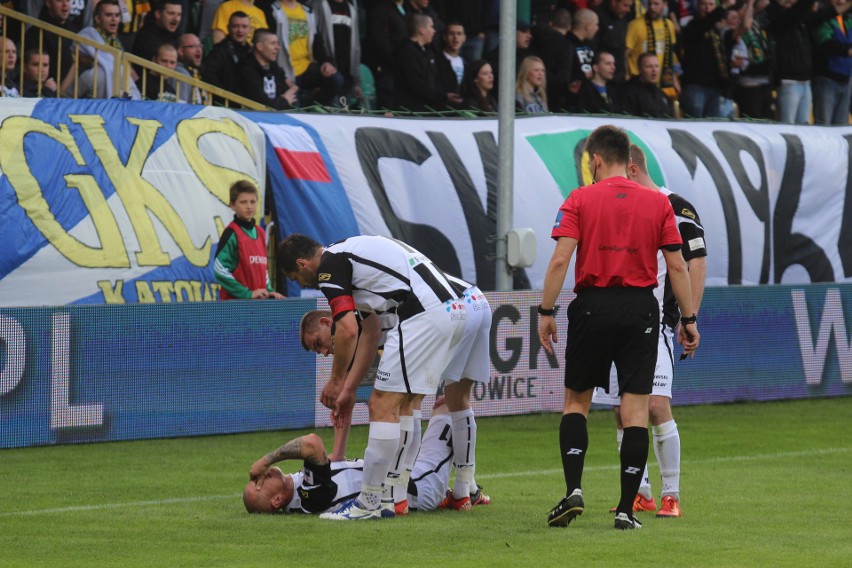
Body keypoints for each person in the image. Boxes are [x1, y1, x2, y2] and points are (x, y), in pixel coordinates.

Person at [538, 124, 699, 531]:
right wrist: (690, 318)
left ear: (594, 160)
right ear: (626, 158)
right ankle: (628, 508)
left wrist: (546, 310)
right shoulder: (657, 204)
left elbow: (560, 260)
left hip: (592, 307)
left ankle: (574, 489)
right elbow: (678, 265)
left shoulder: (579, 198)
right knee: (635, 411)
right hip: (641, 311)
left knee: (578, 403)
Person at [276, 234, 476, 520]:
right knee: (406, 404)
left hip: (421, 313)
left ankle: (370, 502)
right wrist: (348, 387)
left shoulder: (329, 267)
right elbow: (370, 331)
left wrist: (335, 381)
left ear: (302, 263)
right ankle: (394, 497)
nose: (300, 283)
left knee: (381, 405)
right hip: (450, 307)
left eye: (295, 276)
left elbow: (347, 330)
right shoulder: (348, 255)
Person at [592, 144, 707, 519]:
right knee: (623, 411)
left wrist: (690, 317)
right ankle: (640, 493)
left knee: (656, 405)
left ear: (630, 167)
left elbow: (696, 261)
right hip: (618, 322)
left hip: (655, 321)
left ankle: (672, 494)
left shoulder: (676, 206)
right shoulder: (624, 206)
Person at [299, 302, 493, 513]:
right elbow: (346, 398)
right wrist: (338, 453)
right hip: (470, 306)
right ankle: (465, 491)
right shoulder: (355, 328)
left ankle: (399, 497)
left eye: (319, 343)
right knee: (450, 399)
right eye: (318, 351)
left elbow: (347, 389)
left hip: (441, 315)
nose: (324, 352)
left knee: (406, 402)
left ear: (326, 322)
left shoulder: (356, 322)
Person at [243, 398, 490, 514]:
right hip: (418, 485)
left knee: (433, 403)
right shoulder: (308, 498)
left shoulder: (303, 486)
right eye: (259, 483)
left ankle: (463, 490)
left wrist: (343, 417)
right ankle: (465, 492)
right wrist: (265, 460)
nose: (260, 476)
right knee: (451, 403)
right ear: (276, 500)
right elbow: (311, 443)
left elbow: (334, 460)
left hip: (402, 473)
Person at [214, 180, 285, 300]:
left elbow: (263, 269)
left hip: (258, 306)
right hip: (235, 307)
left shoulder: (261, 232)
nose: (249, 206)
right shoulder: (231, 233)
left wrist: (269, 291)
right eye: (243, 202)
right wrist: (247, 293)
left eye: (253, 202)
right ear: (232, 205)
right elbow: (219, 269)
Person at [267, 0, 345, 106]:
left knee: (336, 79)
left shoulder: (308, 11)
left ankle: (312, 108)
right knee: (295, 110)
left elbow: (317, 42)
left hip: (306, 67)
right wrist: (278, 74)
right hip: (284, 70)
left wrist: (325, 61)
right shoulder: (273, 10)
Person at [393, 12, 462, 111]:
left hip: (429, 107)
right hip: (412, 111)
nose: (434, 31)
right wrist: (443, 96)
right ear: (422, 30)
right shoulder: (406, 52)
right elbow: (416, 85)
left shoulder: (429, 51)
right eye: (431, 27)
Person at [75, 0, 143, 99]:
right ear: (98, 19)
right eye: (108, 15)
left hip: (107, 87)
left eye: (117, 15)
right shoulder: (87, 35)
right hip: (82, 86)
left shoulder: (116, 42)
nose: (114, 19)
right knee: (100, 74)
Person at [679, 0, 736, 118]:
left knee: (713, 127)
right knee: (695, 126)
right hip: (695, 86)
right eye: (704, 4)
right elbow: (708, 21)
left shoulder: (716, 30)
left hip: (714, 87)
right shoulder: (692, 25)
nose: (707, 8)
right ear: (698, 6)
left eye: (711, 4)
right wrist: (724, 6)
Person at [766, 0, 817, 124]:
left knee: (804, 128)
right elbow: (800, 8)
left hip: (805, 81)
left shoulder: (801, 23)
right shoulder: (779, 20)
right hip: (789, 82)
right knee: (787, 126)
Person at [625, 0, 681, 100]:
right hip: (639, 83)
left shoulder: (669, 25)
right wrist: (627, 75)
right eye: (650, 4)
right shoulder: (635, 25)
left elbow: (670, 54)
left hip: (662, 84)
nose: (652, 7)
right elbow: (625, 54)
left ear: (664, 5)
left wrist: (674, 79)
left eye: (656, 4)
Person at [310, 0, 362, 102]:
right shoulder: (318, 5)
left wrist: (356, 81)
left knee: (343, 114)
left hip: (347, 74)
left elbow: (356, 46)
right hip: (326, 74)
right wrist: (316, 79)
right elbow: (313, 40)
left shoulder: (351, 8)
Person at [24, 0, 81, 93]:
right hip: (48, 92)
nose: (65, 4)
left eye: (68, 0)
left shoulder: (75, 30)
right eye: (59, 0)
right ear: (48, 3)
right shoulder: (35, 33)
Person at [236, 27, 300, 109]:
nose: (277, 47)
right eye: (273, 43)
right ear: (260, 46)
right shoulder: (246, 69)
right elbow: (261, 104)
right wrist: (284, 101)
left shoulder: (273, 66)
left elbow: (286, 91)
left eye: (277, 43)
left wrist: (290, 90)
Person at [811, 0, 852, 125]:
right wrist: (848, 50)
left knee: (841, 127)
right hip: (827, 79)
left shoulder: (847, 19)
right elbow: (825, 43)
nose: (841, 1)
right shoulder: (822, 18)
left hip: (846, 79)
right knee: (824, 125)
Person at [531, 8, 573, 112]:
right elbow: (563, 79)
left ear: (551, 23)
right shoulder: (566, 46)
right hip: (554, 100)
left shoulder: (533, 38)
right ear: (569, 27)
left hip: (532, 93)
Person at [201, 11, 252, 96]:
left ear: (249, 29)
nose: (240, 30)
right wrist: (224, 96)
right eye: (235, 26)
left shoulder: (253, 53)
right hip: (225, 105)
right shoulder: (218, 51)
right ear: (228, 28)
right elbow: (208, 75)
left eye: (244, 27)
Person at [619, 52, 675, 117]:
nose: (654, 70)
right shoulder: (629, 92)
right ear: (639, 69)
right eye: (649, 66)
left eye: (656, 66)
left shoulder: (663, 95)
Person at [564, 8, 599, 111]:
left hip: (589, 98)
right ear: (588, 27)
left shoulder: (591, 45)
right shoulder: (566, 45)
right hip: (571, 102)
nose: (597, 28)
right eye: (596, 24)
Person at [130, 0, 182, 65]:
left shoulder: (178, 36)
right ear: (158, 14)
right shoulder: (146, 37)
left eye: (179, 14)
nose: (176, 18)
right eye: (171, 13)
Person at [595, 0, 633, 87]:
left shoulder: (623, 17)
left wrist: (625, 71)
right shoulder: (599, 17)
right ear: (614, 2)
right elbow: (594, 46)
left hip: (619, 74)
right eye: (625, 5)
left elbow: (622, 47)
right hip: (603, 75)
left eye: (629, 6)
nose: (628, 10)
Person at [437, 21, 467, 101]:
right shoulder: (436, 60)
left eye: (459, 34)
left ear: (464, 38)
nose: (455, 37)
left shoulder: (465, 63)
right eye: (451, 33)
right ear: (444, 37)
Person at [175, 33, 205, 103]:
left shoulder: (197, 72)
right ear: (181, 51)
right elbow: (181, 105)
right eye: (193, 46)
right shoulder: (180, 72)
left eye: (200, 46)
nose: (198, 50)